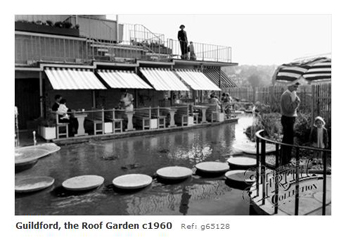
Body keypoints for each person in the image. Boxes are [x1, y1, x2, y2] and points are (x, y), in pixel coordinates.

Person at [280, 81, 301, 165]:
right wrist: (297, 102)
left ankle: (286, 159)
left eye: (297, 87)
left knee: (289, 139)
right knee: (288, 140)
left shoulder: (291, 94)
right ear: (290, 86)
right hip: (287, 119)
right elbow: (289, 109)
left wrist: (296, 101)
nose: (296, 89)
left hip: (290, 118)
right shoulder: (286, 95)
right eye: (295, 87)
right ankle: (285, 160)